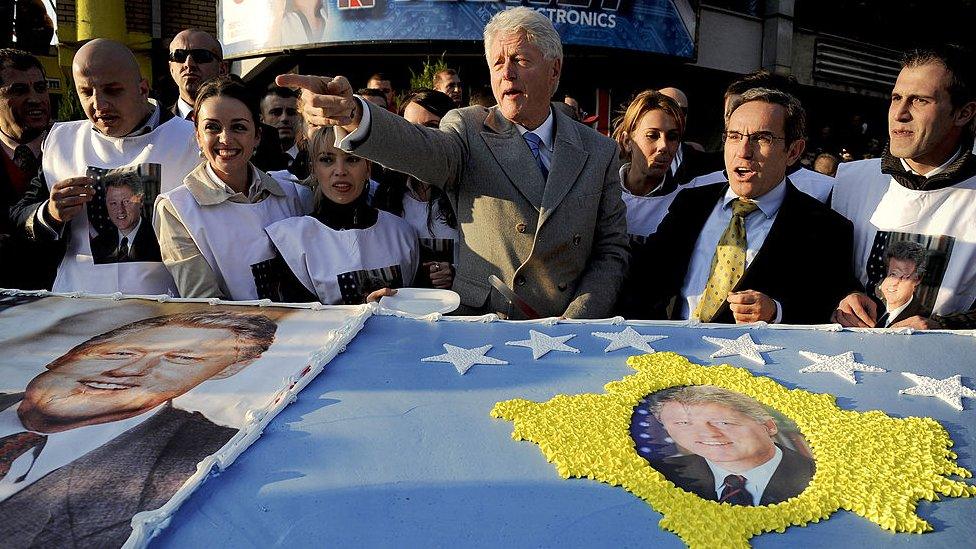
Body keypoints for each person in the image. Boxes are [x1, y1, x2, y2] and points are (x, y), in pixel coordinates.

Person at [278, 7, 629, 319]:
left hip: (569, 327)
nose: (507, 74)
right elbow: (420, 148)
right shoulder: (468, 128)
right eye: (497, 63)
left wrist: (579, 318)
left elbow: (610, 250)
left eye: (520, 60)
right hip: (483, 323)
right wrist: (355, 114)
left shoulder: (599, 151)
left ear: (554, 70)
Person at [0, 311, 277, 547]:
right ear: (69, 355)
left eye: (181, 359)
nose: (129, 370)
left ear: (223, 373)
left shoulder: (215, 456)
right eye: (120, 353)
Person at [627, 88, 858, 324]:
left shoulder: (826, 228)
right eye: (734, 136)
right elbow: (643, 283)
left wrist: (776, 312)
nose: (744, 152)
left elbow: (827, 307)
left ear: (793, 151)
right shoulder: (690, 204)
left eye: (761, 138)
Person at [9, 39, 200, 295]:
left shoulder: (192, 140)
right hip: (79, 305)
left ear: (142, 88)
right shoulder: (61, 142)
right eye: (86, 92)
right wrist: (50, 212)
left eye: (112, 90)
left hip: (168, 310)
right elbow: (19, 215)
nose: (99, 104)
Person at [831, 46, 976, 330]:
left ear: (963, 113)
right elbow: (816, 272)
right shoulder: (848, 180)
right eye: (896, 98)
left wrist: (945, 328)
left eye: (920, 101)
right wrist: (842, 296)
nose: (899, 114)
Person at [154, 76, 311, 300]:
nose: (225, 139)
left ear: (257, 135)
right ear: (198, 135)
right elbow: (204, 301)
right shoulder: (176, 208)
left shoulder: (292, 193)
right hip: (234, 332)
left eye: (238, 127)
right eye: (212, 127)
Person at [265, 125, 418, 304]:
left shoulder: (401, 232)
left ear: (368, 167)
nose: (340, 171)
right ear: (313, 168)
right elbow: (301, 321)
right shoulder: (291, 239)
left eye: (352, 159)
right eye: (327, 160)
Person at [650, 385, 815, 506]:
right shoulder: (655, 475)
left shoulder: (820, 476)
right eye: (684, 423)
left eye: (723, 422)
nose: (707, 434)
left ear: (769, 426)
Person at [690, 71, 835, 203]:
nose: (743, 151)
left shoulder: (825, 192)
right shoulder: (696, 191)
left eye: (761, 137)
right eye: (729, 113)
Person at [373, 89, 459, 289]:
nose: (420, 139)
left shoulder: (472, 192)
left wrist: (455, 274)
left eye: (432, 127)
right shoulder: (386, 194)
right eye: (410, 129)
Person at [0, 48, 60, 290]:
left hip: (65, 297)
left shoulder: (72, 148)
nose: (35, 98)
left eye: (40, 88)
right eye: (19, 90)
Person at [611, 89, 685, 240]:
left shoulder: (684, 201)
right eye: (652, 135)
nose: (663, 146)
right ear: (627, 141)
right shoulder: (598, 191)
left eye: (672, 137)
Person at [89, 174, 161, 263]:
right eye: (113, 203)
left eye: (126, 201)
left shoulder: (160, 240)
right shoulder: (97, 245)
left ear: (141, 201)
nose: (120, 210)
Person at [657, 86, 720, 183]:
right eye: (668, 108)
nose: (676, 115)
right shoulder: (633, 157)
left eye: (682, 110)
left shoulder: (699, 159)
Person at [167, 28, 228, 120]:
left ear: (222, 69)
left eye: (201, 56)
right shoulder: (156, 126)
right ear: (171, 68)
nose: (188, 64)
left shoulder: (245, 120)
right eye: (179, 56)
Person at [875, 240, 928, 328]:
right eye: (893, 274)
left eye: (903, 277)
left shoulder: (923, 318)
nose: (894, 283)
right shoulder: (873, 303)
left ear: (917, 279)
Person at [260, 85, 301, 160]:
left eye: (291, 112)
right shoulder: (246, 161)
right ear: (262, 119)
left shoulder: (314, 156)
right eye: (276, 112)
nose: (284, 118)